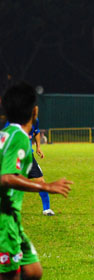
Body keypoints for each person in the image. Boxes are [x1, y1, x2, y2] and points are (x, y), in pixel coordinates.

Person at [0, 82, 72, 280]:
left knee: (33, 271)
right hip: (4, 220)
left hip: (12, 218)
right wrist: (45, 186)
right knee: (10, 276)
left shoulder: (6, 134)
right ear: (34, 111)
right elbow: (7, 178)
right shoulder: (19, 138)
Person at [3, 119, 54, 216]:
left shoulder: (35, 119)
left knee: (40, 181)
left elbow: (36, 131)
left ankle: (46, 209)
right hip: (14, 157)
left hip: (28, 156)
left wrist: (38, 147)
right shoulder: (12, 120)